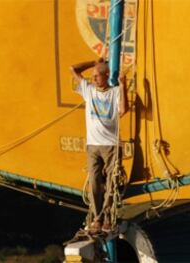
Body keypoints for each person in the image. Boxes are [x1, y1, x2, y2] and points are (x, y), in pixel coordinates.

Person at [70, 59, 128, 232]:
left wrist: (123, 85)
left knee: (112, 182)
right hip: (93, 145)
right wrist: (94, 62)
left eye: (97, 76)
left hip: (111, 144)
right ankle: (97, 217)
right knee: (95, 181)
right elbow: (73, 68)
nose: (94, 79)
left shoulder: (115, 92)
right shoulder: (88, 90)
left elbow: (123, 110)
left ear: (106, 76)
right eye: (93, 76)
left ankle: (108, 216)